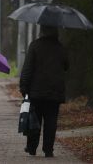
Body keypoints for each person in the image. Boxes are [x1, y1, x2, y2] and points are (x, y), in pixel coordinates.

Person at [19, 25, 69, 158]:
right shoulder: (60, 47)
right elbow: (66, 65)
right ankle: (48, 149)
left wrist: (24, 87)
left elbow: (28, 68)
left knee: (34, 120)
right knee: (51, 121)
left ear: (42, 31)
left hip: (36, 91)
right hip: (55, 91)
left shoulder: (35, 46)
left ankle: (31, 147)